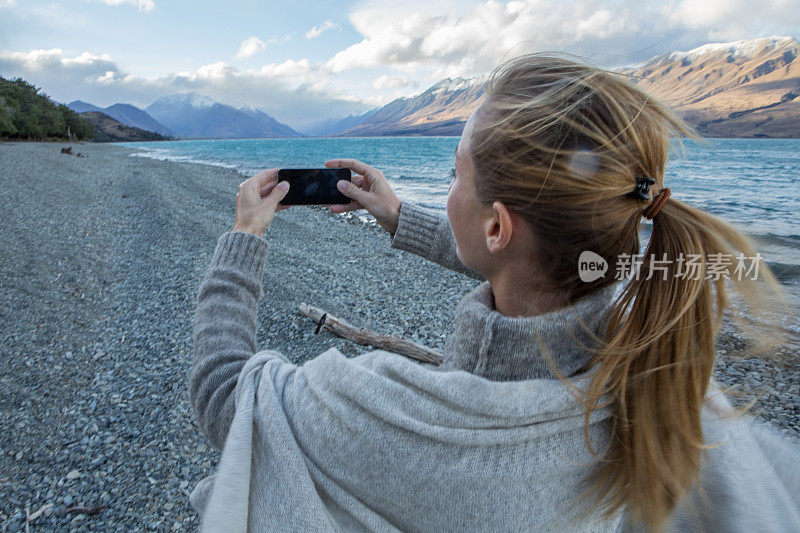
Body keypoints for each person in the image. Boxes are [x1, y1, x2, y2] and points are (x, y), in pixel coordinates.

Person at [188, 53, 800, 532]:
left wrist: (245, 237)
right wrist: (400, 216)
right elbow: (533, 268)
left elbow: (225, 397)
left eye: (456, 173)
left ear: (498, 226)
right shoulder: (649, 355)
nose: (449, 187)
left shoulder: (401, 420)